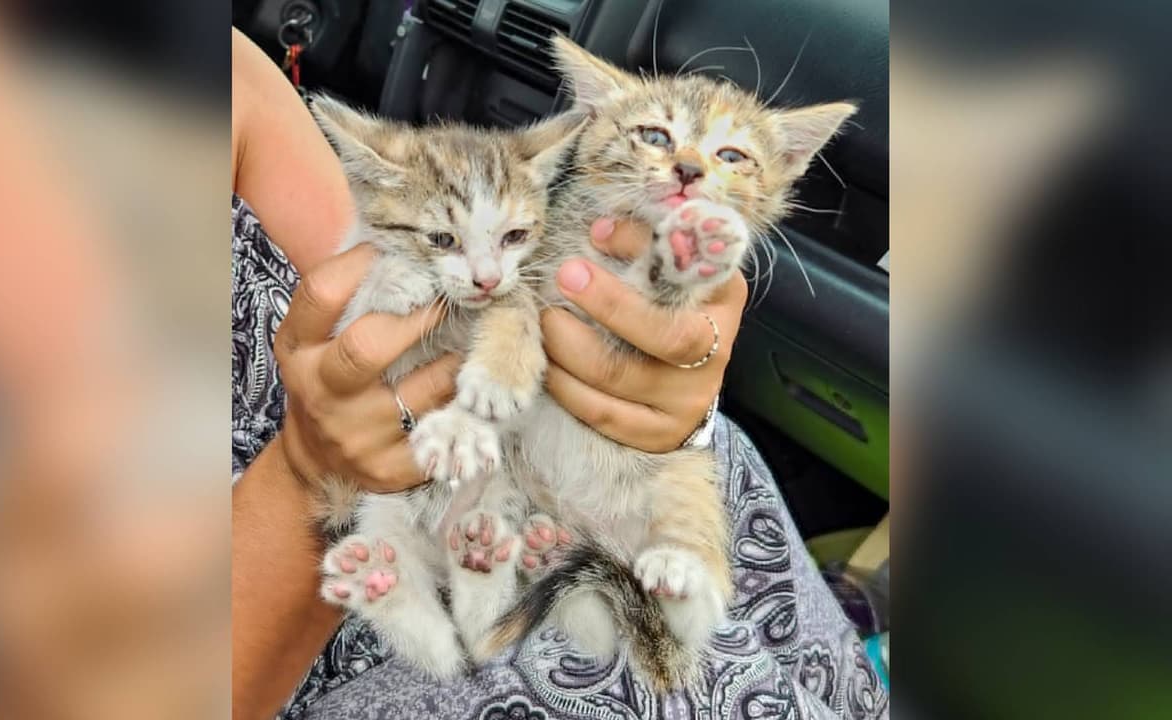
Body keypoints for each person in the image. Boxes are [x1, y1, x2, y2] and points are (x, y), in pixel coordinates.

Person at [230, 28, 887, 720]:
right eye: (659, 139)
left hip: (491, 448)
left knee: (723, 455)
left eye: (726, 155)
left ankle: (846, 676)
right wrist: (311, 467)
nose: (689, 167)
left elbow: (392, 236)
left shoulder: (226, 67)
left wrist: (662, 374)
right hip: (291, 628)